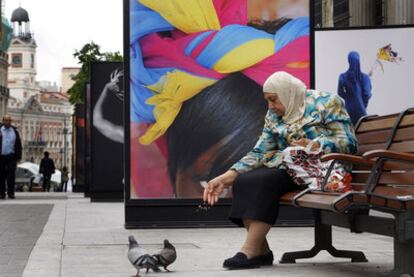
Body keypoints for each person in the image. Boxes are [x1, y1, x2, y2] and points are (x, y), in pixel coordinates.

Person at [203, 72, 358, 270]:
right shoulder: (274, 114)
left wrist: (315, 144)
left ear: (287, 93)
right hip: (291, 168)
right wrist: (227, 177)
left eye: (273, 100)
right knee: (244, 181)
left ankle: (249, 251)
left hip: (323, 170)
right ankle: (261, 251)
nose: (270, 106)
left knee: (263, 181)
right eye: (268, 101)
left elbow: (349, 144)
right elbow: (261, 151)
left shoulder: (327, 102)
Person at [338, 51, 372, 126]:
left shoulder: (343, 76)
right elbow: (367, 94)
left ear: (349, 61)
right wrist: (363, 104)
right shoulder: (365, 77)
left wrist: (348, 97)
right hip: (361, 111)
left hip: (348, 110)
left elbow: (340, 93)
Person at [0, 115, 22, 199]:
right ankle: (1, 193)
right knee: (1, 175)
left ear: (10, 121)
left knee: (11, 175)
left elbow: (18, 144)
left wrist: (19, 156)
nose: (7, 122)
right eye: (5, 120)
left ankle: (11, 193)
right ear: (3, 121)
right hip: (1, 157)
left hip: (11, 157)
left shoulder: (14, 131)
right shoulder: (0, 130)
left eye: (9, 120)